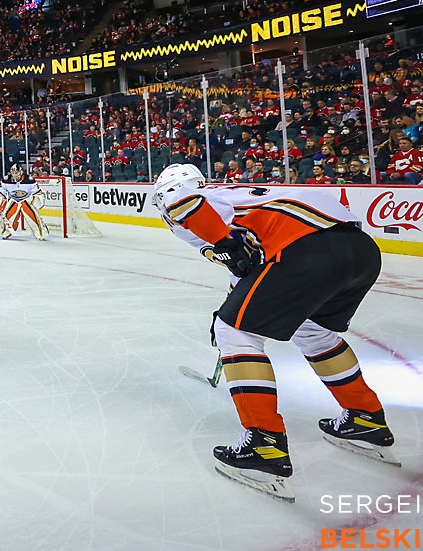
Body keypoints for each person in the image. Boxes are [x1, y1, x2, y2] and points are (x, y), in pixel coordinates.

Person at [154, 163, 397, 502]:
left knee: (234, 333)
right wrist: (232, 287)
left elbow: (181, 202)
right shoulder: (245, 197)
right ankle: (365, 418)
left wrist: (224, 245)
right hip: (360, 251)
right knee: (315, 333)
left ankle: (264, 446)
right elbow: (248, 265)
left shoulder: (208, 198)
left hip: (304, 250)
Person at [0, 165, 47, 240]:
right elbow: (1, 193)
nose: (15, 175)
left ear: (21, 172)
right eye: (13, 173)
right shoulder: (6, 179)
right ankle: (5, 232)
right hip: (14, 200)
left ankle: (41, 234)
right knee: (8, 215)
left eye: (16, 173)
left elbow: (38, 193)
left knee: (33, 217)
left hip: (27, 200)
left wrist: (37, 202)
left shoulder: (29, 180)